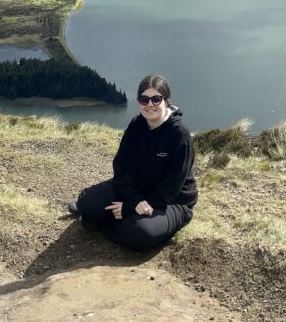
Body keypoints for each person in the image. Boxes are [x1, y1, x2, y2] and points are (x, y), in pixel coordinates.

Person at [69, 74, 197, 251]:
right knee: (86, 203)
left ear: (167, 102)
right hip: (137, 189)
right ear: (139, 102)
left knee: (141, 233)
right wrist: (134, 199)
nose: (150, 104)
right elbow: (121, 166)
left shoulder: (179, 134)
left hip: (171, 201)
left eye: (156, 99)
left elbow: (172, 187)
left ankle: (105, 224)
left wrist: (129, 207)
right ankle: (112, 221)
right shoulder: (137, 124)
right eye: (144, 99)